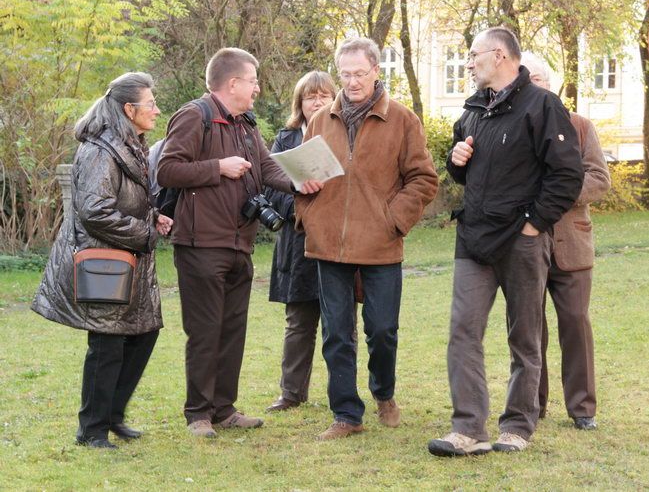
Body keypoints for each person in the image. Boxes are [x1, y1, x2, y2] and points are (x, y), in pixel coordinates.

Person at [427, 27, 584, 457]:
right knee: (463, 331)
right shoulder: (474, 108)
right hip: (474, 239)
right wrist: (456, 160)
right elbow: (466, 167)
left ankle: (517, 426)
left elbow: (567, 175)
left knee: (525, 336)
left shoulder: (543, 105)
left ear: (499, 56)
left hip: (522, 240)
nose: (469, 62)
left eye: (473, 55)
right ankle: (468, 430)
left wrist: (535, 224)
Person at [157, 47, 322, 438]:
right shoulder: (194, 116)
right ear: (232, 83)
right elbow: (167, 169)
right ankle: (198, 413)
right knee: (205, 329)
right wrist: (218, 167)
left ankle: (224, 409)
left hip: (239, 244)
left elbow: (266, 167)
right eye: (252, 81)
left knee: (232, 329)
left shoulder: (245, 124)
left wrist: (302, 181)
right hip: (200, 244)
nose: (257, 88)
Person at [294, 37, 438, 440]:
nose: (353, 82)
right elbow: (302, 178)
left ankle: (384, 393)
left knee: (382, 329)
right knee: (336, 332)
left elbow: (424, 180)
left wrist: (393, 220)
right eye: (346, 74)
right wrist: (307, 212)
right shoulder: (321, 120)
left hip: (380, 243)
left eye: (360, 73)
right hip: (327, 245)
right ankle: (346, 414)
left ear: (377, 70)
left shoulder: (404, 120)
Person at [31, 72, 173, 449]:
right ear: (129, 109)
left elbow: (123, 199)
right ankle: (91, 429)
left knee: (143, 333)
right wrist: (145, 233)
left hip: (125, 257)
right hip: (105, 260)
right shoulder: (99, 149)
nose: (157, 110)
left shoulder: (129, 144)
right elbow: (95, 211)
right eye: (151, 103)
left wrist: (152, 214)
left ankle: (111, 416)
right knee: (107, 343)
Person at [521, 53, 611, 431]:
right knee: (529, 328)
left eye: (539, 78)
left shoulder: (579, 126)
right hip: (526, 243)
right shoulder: (514, 128)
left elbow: (599, 179)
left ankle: (582, 408)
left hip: (572, 243)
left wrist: (556, 194)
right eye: (528, 79)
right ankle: (531, 406)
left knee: (575, 322)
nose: (534, 85)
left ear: (551, 83)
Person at [264, 71, 338, 412]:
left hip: (338, 240)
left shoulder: (345, 133)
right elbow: (268, 188)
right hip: (297, 244)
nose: (318, 102)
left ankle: (343, 393)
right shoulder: (285, 139)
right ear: (300, 103)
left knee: (341, 323)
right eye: (310, 97)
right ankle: (291, 393)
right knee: (298, 322)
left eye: (324, 95)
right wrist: (299, 199)